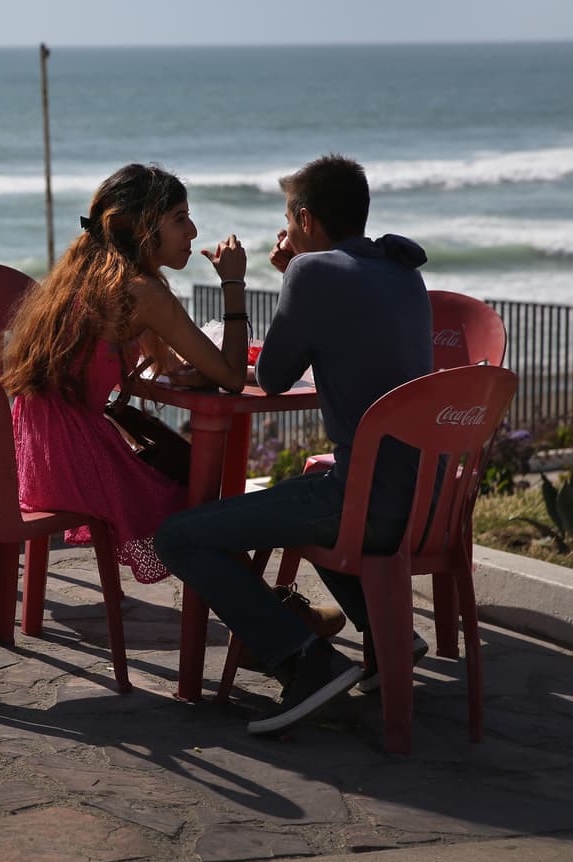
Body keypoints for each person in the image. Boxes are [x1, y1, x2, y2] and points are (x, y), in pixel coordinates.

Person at [154, 154, 434, 737]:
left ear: (304, 220)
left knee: (179, 537)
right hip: (423, 501)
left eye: (289, 217)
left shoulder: (314, 273)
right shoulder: (404, 270)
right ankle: (388, 639)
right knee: (305, 492)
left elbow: (275, 375)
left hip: (367, 504)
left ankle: (306, 660)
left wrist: (293, 273)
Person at [0, 163, 252, 585]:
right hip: (70, 454)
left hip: (36, 450)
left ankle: (271, 617)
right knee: (200, 509)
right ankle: (270, 622)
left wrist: (187, 371)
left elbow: (98, 365)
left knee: (192, 493)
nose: (192, 231)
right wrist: (234, 283)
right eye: (179, 219)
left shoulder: (84, 275)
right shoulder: (144, 292)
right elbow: (232, 377)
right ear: (142, 230)